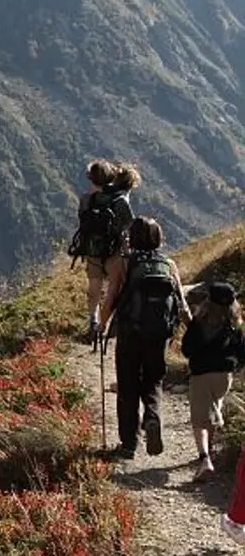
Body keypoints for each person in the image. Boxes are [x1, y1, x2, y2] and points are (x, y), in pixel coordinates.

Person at [99, 216, 190, 458]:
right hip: (160, 335)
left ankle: (129, 444)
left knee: (127, 384)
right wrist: (192, 329)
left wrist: (101, 325)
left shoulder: (123, 263)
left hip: (130, 333)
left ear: (132, 237)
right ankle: (152, 417)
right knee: (153, 380)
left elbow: (110, 299)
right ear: (158, 238)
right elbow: (182, 304)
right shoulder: (168, 264)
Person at [180, 282, 245, 481]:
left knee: (199, 420)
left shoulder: (199, 323)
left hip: (201, 374)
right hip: (224, 377)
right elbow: (242, 354)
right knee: (212, 411)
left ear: (209, 301)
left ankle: (204, 459)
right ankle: (209, 449)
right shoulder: (234, 325)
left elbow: (187, 350)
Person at [70, 160, 137, 340]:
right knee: (113, 287)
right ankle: (106, 323)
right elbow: (130, 225)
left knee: (94, 287)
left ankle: (93, 321)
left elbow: (82, 220)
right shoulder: (120, 201)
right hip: (114, 251)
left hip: (93, 249)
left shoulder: (86, 199)